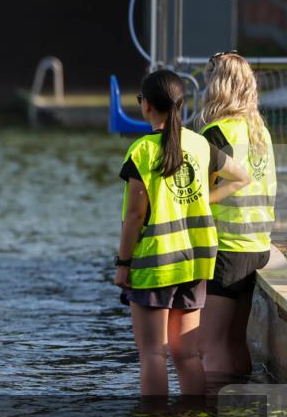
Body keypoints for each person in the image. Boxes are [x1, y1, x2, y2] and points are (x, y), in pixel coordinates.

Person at [114, 69, 251, 396]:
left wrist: (122, 264)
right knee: (187, 354)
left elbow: (134, 215)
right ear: (181, 104)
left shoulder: (142, 151)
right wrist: (205, 197)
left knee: (152, 355)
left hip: (154, 264)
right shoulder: (200, 145)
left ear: (146, 106)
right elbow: (241, 177)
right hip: (194, 263)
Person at [196, 53, 277, 383]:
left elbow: (198, 190)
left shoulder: (217, 133)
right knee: (234, 340)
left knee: (209, 344)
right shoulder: (260, 133)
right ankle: (240, 416)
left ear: (217, 86)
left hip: (226, 248)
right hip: (257, 246)